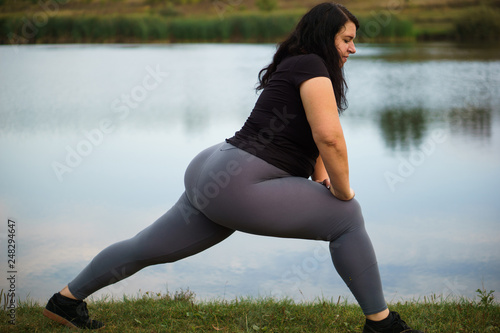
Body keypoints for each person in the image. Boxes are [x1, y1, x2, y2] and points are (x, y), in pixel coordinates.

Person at [43, 2, 423, 332]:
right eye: (346, 40)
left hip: (212, 166)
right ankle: (381, 323)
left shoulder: (295, 63)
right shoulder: (313, 68)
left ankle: (65, 301)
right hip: (240, 182)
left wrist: (321, 179)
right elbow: (329, 138)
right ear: (326, 38)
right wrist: (342, 191)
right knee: (348, 216)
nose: (353, 48)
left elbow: (313, 138)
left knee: (146, 246)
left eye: (354, 40)